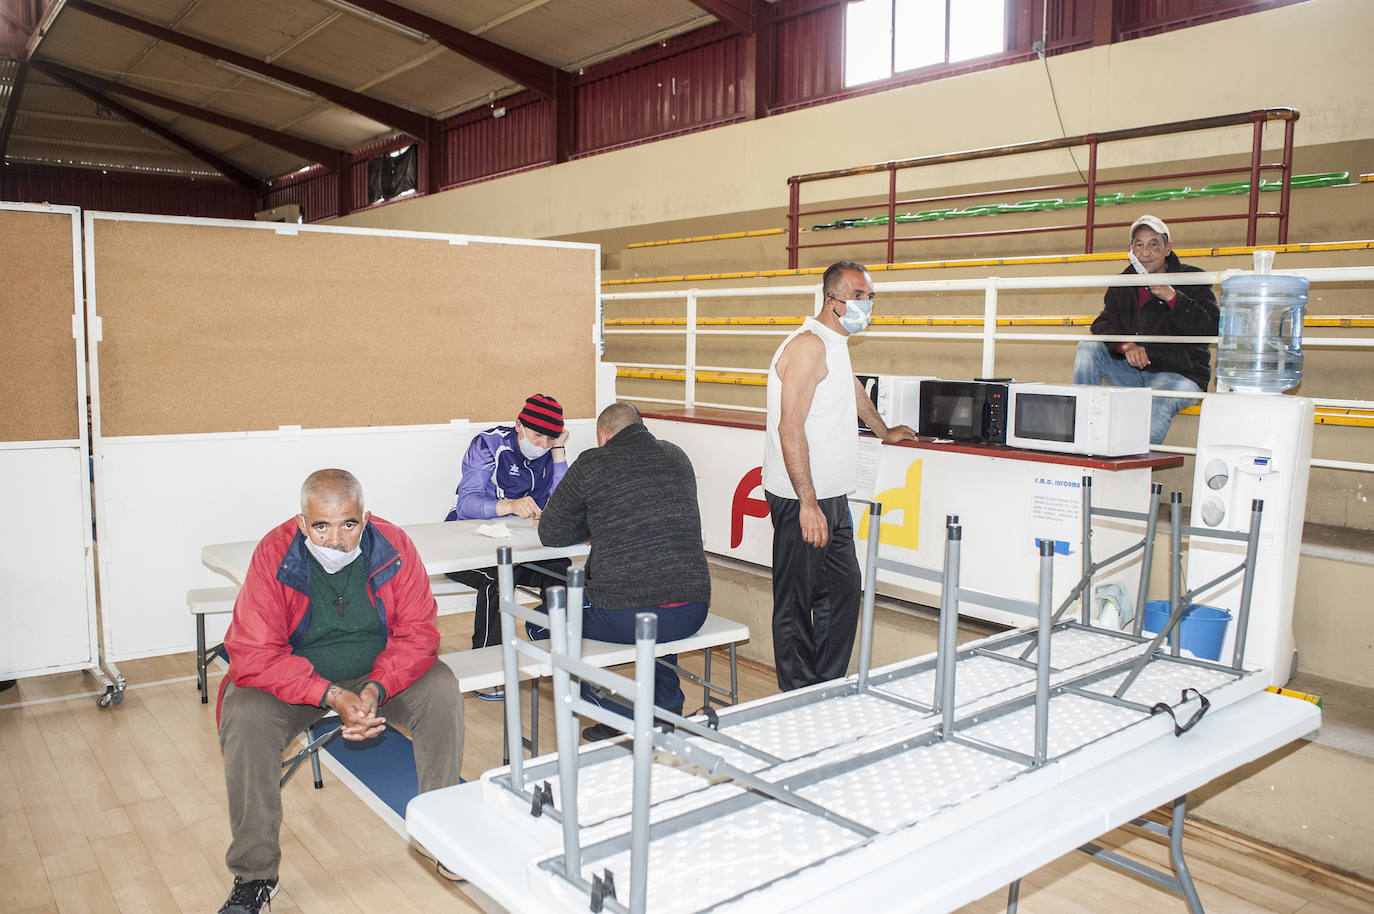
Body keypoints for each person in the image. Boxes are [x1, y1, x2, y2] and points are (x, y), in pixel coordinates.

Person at [216, 469, 461, 914]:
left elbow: (419, 634)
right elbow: (252, 653)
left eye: (348, 524)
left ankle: (440, 834)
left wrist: (376, 686)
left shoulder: (394, 547)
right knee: (245, 716)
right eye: (321, 526)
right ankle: (254, 874)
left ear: (364, 520)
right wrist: (330, 694)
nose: (335, 540)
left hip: (376, 674)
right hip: (297, 680)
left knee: (441, 686)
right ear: (301, 522)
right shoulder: (275, 553)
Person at [763, 261, 917, 691]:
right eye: (857, 297)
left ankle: (824, 684)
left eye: (870, 297)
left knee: (843, 590)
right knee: (796, 603)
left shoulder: (834, 342)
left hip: (831, 496)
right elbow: (789, 427)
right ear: (831, 300)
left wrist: (884, 430)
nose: (866, 305)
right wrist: (808, 504)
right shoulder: (809, 346)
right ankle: (795, 694)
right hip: (801, 499)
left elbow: (849, 388)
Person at [536, 402, 711, 740]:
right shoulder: (677, 456)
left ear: (603, 435)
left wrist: (592, 525)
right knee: (659, 599)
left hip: (623, 613)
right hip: (692, 609)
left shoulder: (593, 461)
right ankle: (667, 709)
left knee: (540, 623)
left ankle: (619, 713)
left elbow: (552, 532)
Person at [444, 393, 571, 698]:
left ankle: (556, 648)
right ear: (519, 425)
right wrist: (510, 505)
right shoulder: (488, 444)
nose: (541, 444)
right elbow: (467, 504)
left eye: (549, 439)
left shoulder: (550, 450)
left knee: (563, 572)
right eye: (537, 436)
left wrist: (559, 451)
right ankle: (486, 667)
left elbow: (565, 501)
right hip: (466, 543)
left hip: (522, 546)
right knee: (498, 577)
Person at [1073, 215, 1219, 444]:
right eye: (1139, 244)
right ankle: (1085, 432)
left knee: (1156, 402)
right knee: (1088, 347)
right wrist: (1126, 345)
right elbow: (1103, 323)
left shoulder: (1193, 279)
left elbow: (1210, 327)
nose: (1146, 252)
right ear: (1130, 249)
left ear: (1168, 248)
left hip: (1179, 373)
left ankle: (1135, 473)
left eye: (1154, 244)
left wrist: (1173, 297)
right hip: (1133, 373)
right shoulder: (1123, 282)